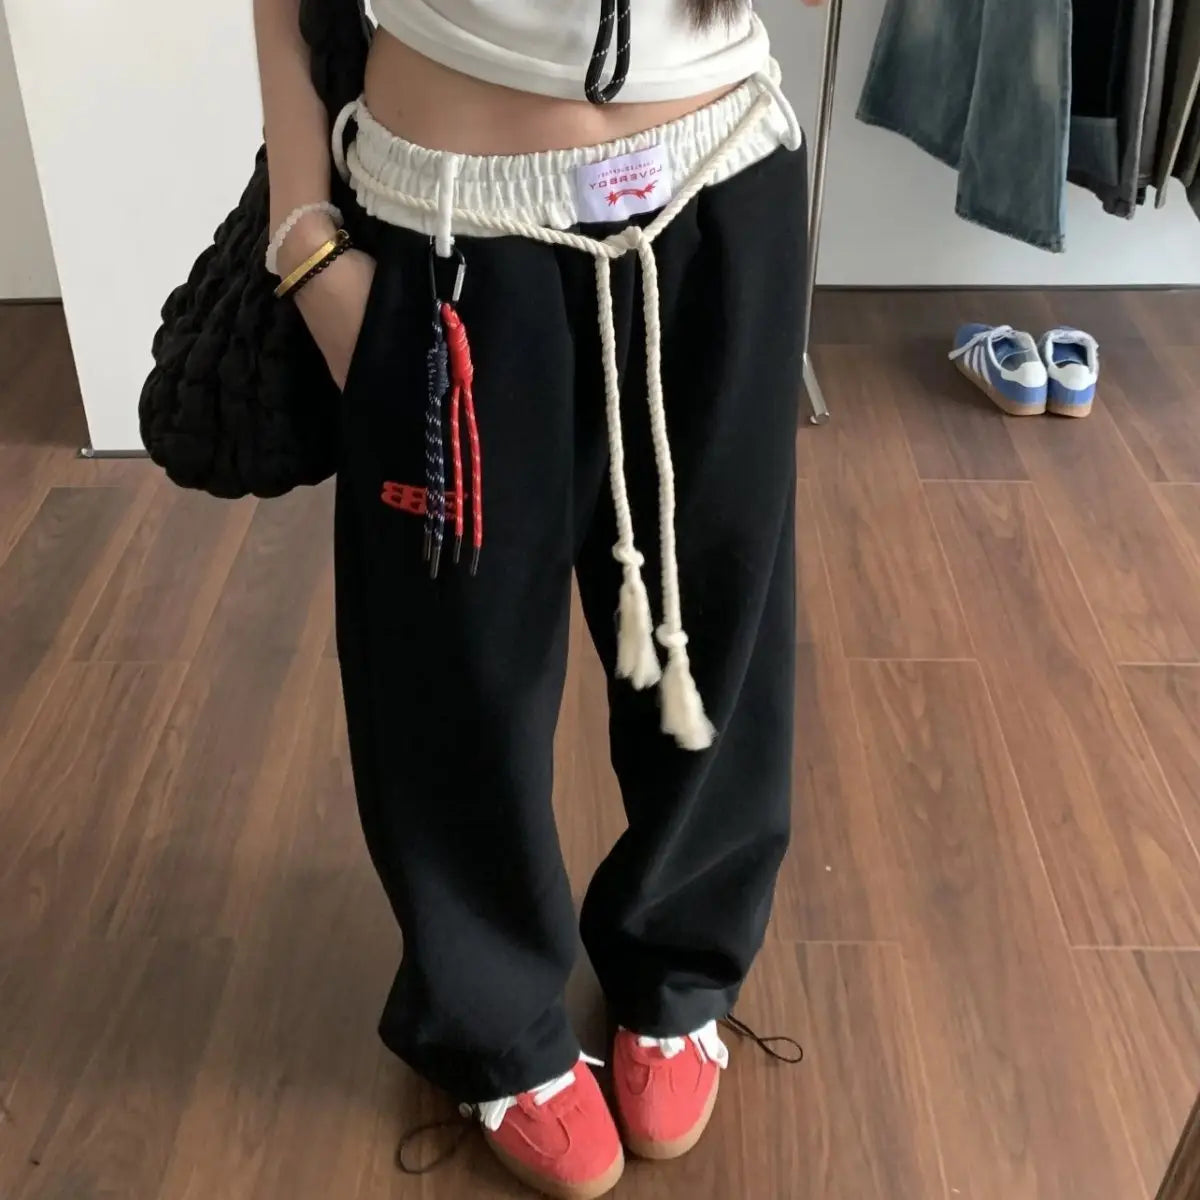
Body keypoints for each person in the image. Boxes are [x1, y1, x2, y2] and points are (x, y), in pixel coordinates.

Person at [254, 1, 819, 1196]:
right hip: (452, 220)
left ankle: (680, 965)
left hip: (719, 181)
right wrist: (301, 232)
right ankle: (493, 1017)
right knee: (450, 661)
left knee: (713, 624)